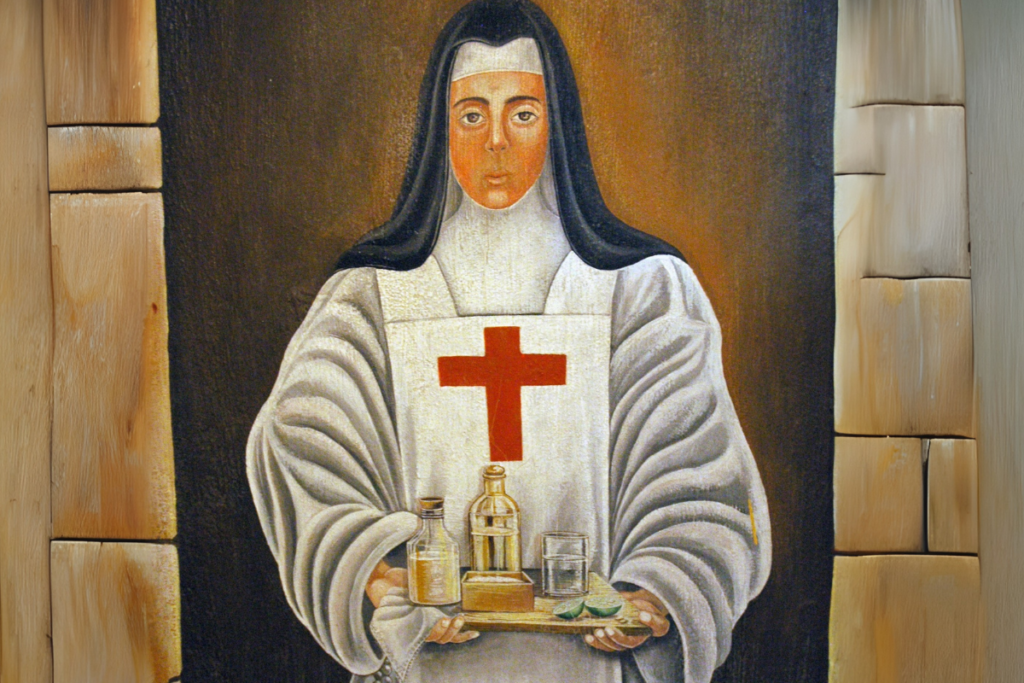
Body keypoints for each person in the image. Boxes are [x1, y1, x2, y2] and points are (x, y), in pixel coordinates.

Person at [247, 1, 771, 682]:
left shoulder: (642, 291)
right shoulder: (369, 297)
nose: (496, 140)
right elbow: (299, 441)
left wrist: (656, 588)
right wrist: (377, 574)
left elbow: (697, 470)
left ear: (557, 123)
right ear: (440, 126)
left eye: (522, 113)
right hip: (425, 657)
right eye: (472, 114)